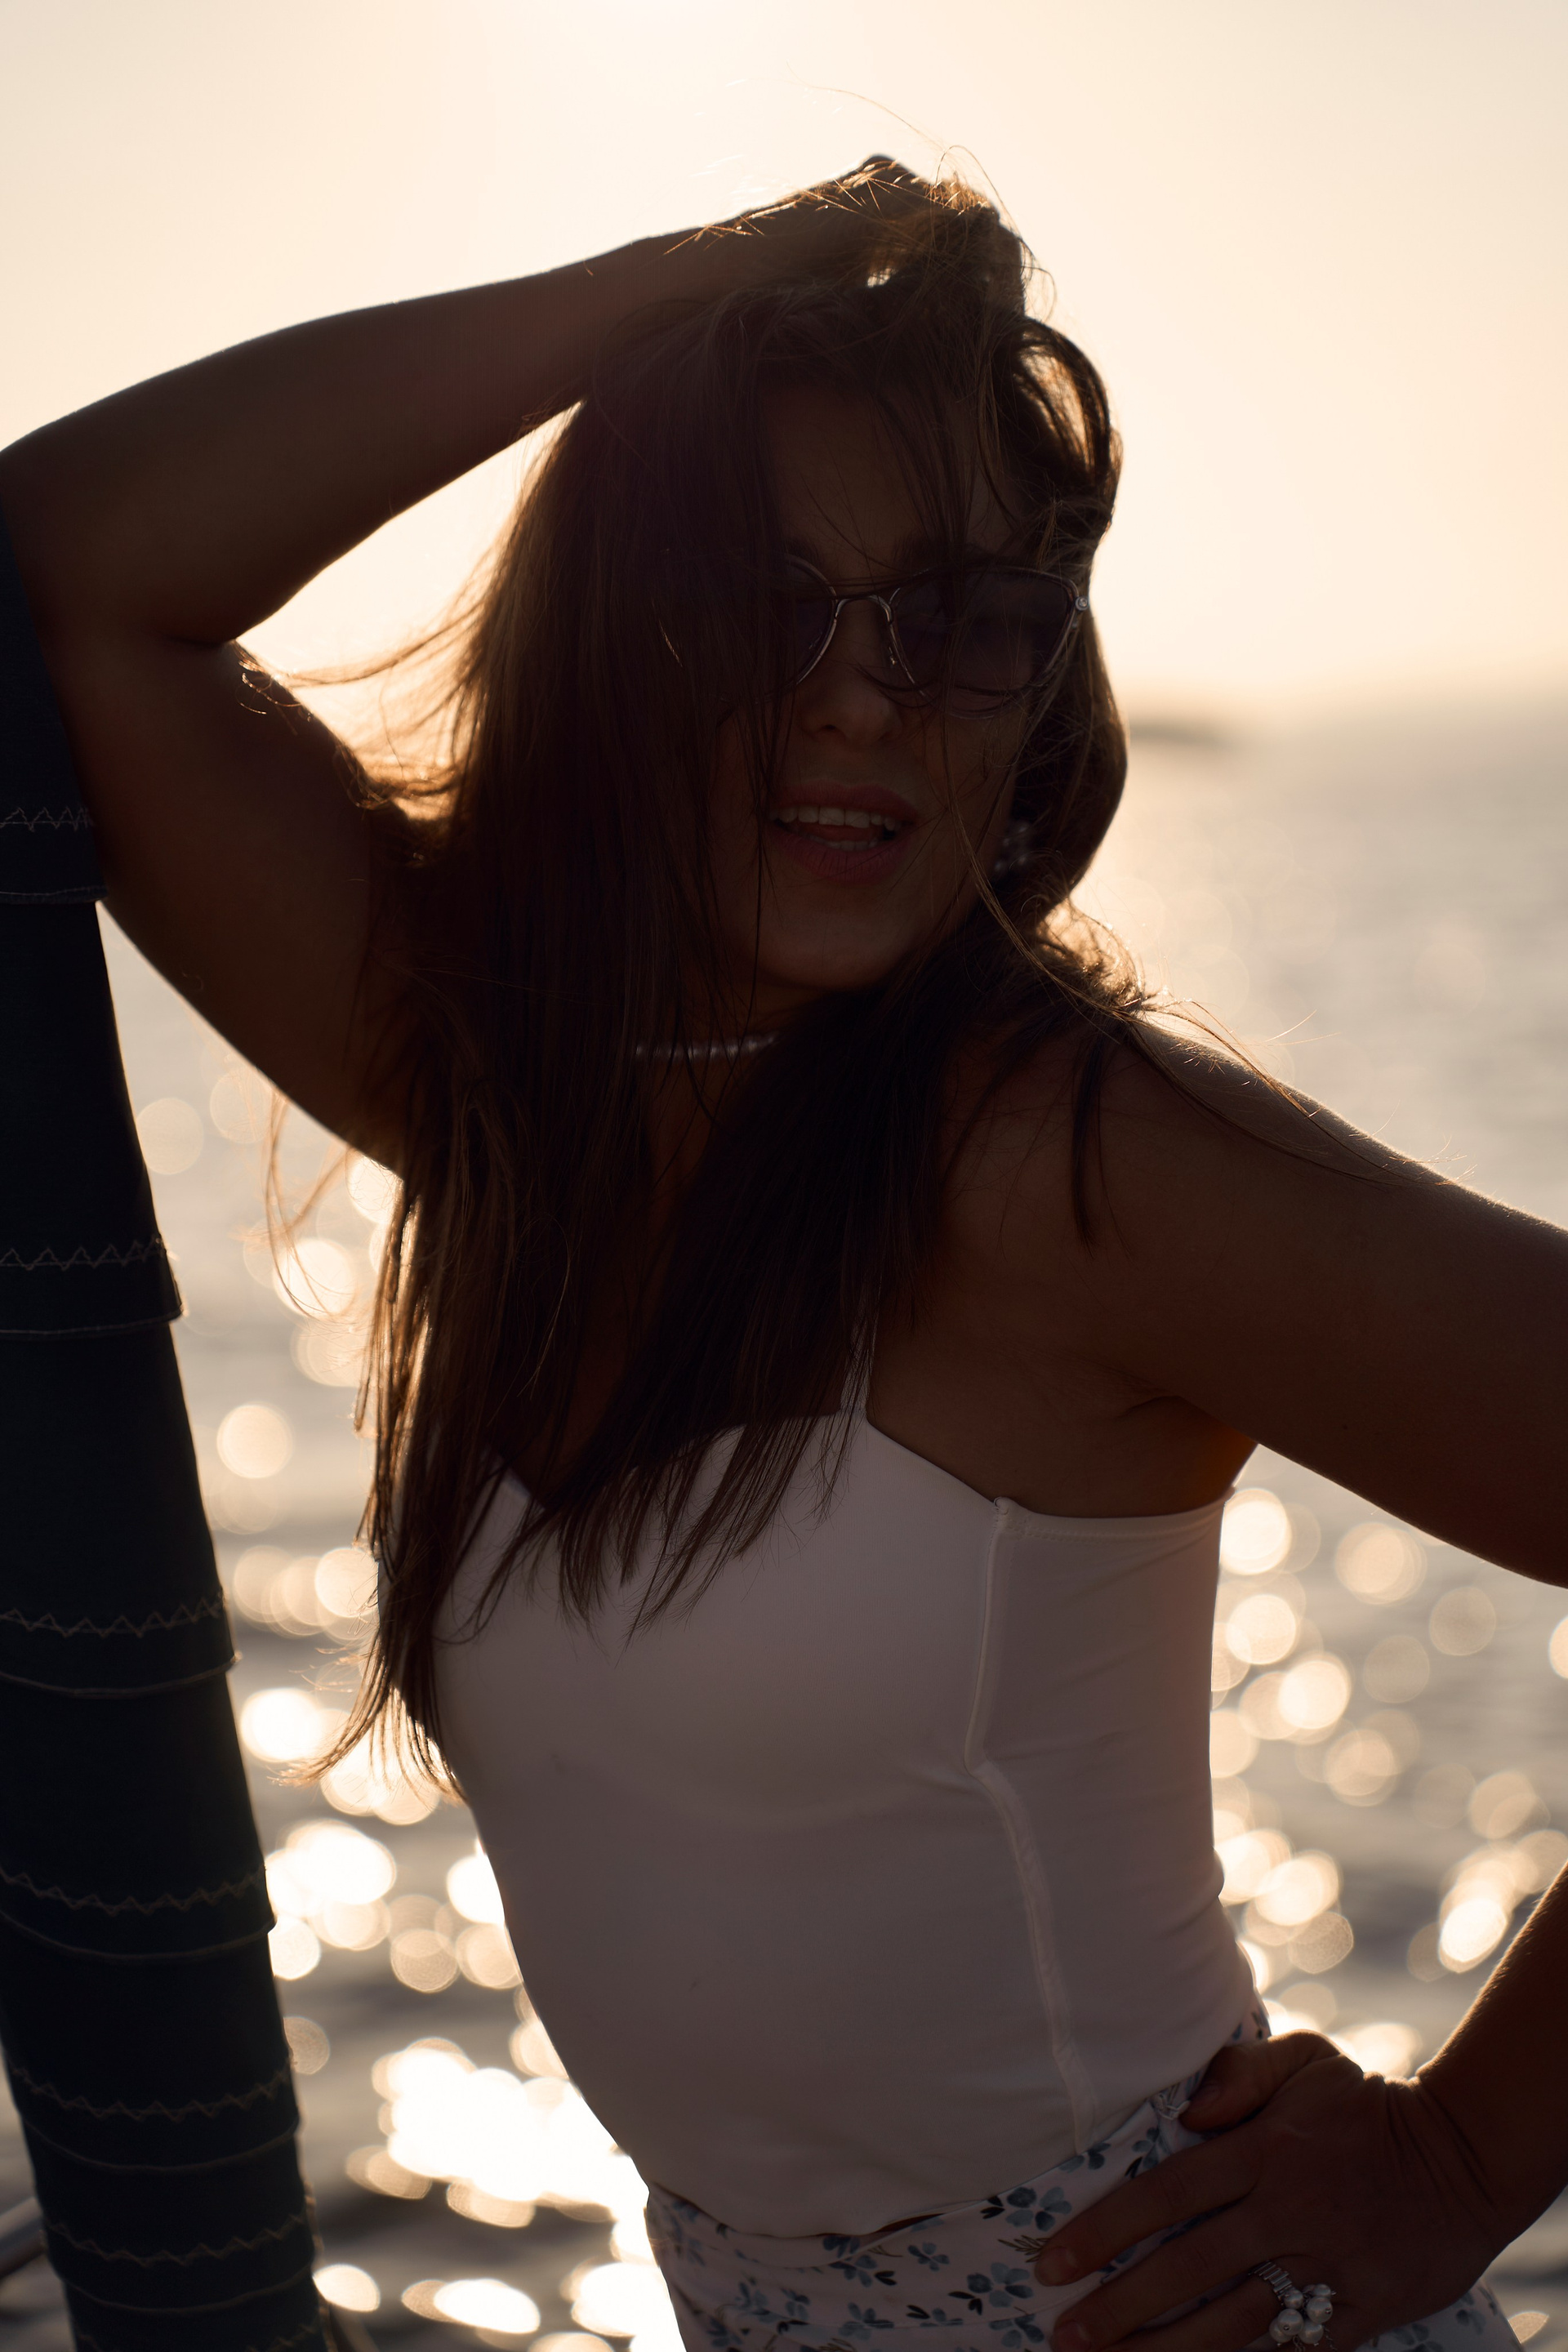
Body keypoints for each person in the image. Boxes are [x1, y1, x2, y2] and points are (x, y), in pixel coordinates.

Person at [2, 159, 1565, 2352]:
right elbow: (71, 568)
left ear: (1039, 689)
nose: (856, 700)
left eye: (960, 619)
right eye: (751, 602)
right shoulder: (509, 1093)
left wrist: (1463, 2162)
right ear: (606, 645)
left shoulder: (1071, 1168)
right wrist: (670, 297)